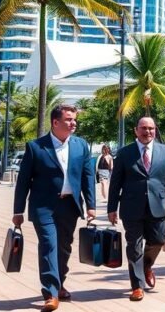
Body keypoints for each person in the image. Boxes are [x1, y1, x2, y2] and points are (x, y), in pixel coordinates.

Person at [12, 105, 96, 312]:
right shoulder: (36, 147)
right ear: (55, 122)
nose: (73, 123)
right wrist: (18, 211)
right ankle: (50, 293)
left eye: (74, 119)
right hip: (44, 207)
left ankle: (59, 284)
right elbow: (23, 181)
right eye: (69, 119)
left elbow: (88, 177)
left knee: (64, 247)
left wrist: (91, 206)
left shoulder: (81, 146)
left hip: (70, 206)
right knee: (49, 244)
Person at [107, 117, 165, 302]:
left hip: (157, 205)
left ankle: (146, 266)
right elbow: (115, 183)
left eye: (151, 128)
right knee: (134, 247)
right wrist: (111, 208)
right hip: (131, 207)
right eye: (144, 128)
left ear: (155, 130)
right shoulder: (124, 153)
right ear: (135, 130)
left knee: (158, 240)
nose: (148, 132)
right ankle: (137, 286)